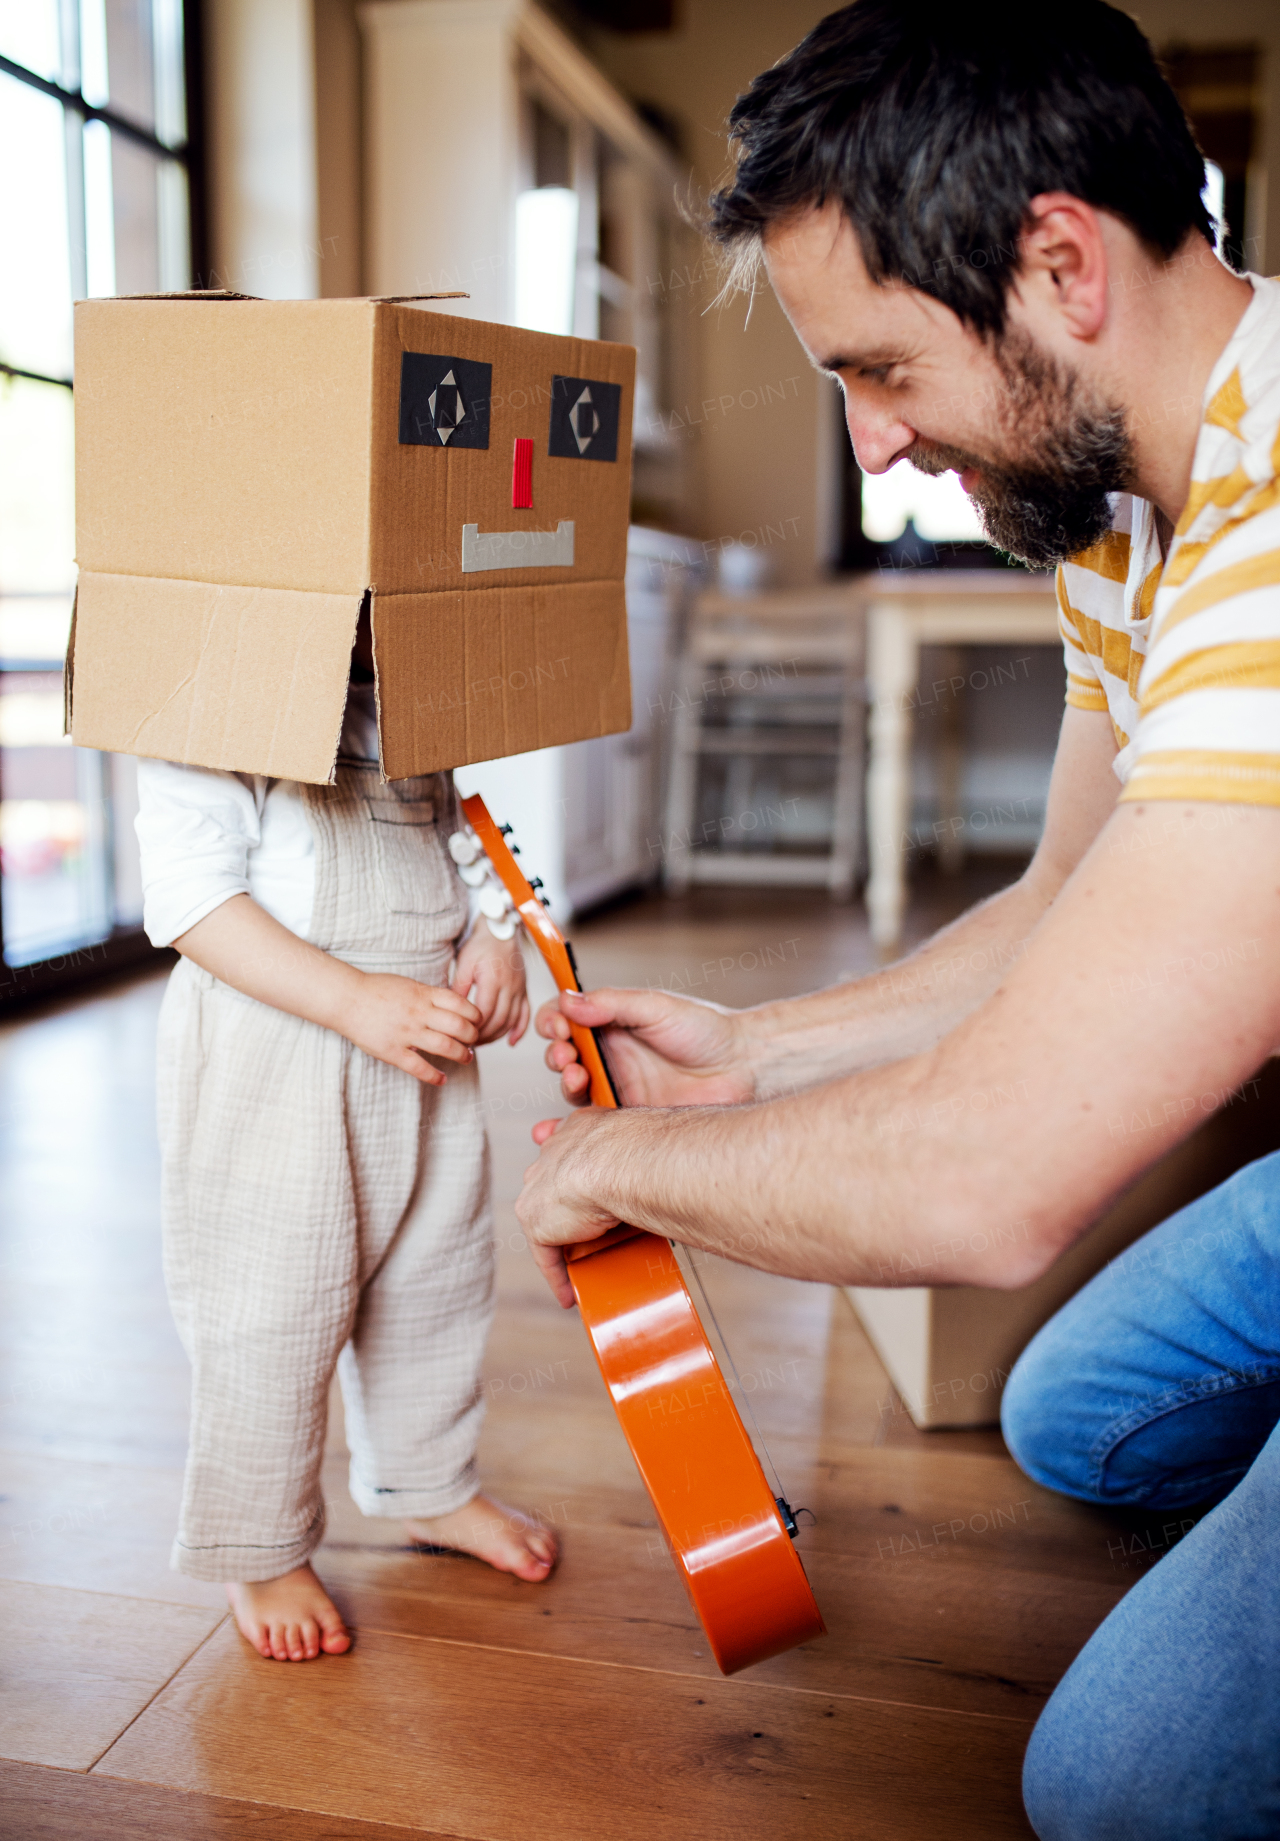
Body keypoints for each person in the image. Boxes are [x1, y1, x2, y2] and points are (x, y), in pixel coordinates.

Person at [515, 4, 1280, 1835]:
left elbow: (986, 1184)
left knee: (1117, 1794)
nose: (870, 452)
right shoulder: (1123, 514)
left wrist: (625, 1177)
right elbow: (1065, 902)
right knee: (1076, 1420)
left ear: (1059, 264)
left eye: (881, 369)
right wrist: (755, 1052)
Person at [135, 606, 556, 1666]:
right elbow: (192, 900)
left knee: (437, 1279)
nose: (378, 614)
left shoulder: (412, 692)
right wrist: (348, 999)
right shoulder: (211, 688)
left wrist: (491, 935)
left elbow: (464, 832)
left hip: (420, 1048)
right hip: (278, 1057)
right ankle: (262, 1540)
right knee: (272, 1304)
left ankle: (427, 1481)